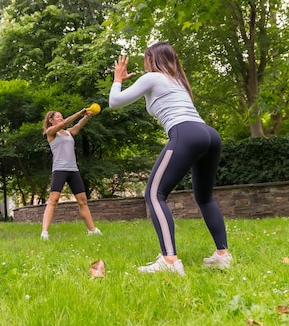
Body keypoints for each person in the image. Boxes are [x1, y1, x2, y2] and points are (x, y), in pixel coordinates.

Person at [108, 42, 231, 275]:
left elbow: (114, 102)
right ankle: (223, 255)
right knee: (205, 197)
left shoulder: (153, 77)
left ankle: (170, 261)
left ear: (151, 60)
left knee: (154, 194)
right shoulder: (179, 82)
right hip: (209, 135)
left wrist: (117, 79)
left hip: (186, 133)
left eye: (146, 59)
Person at [40, 108, 102, 239]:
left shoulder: (68, 133)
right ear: (51, 120)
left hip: (73, 170)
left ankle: (92, 230)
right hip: (59, 169)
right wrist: (78, 113)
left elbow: (77, 126)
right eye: (58, 117)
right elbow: (63, 124)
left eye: (62, 116)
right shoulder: (50, 132)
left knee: (83, 201)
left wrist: (86, 117)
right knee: (53, 200)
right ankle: (44, 232)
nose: (61, 118)